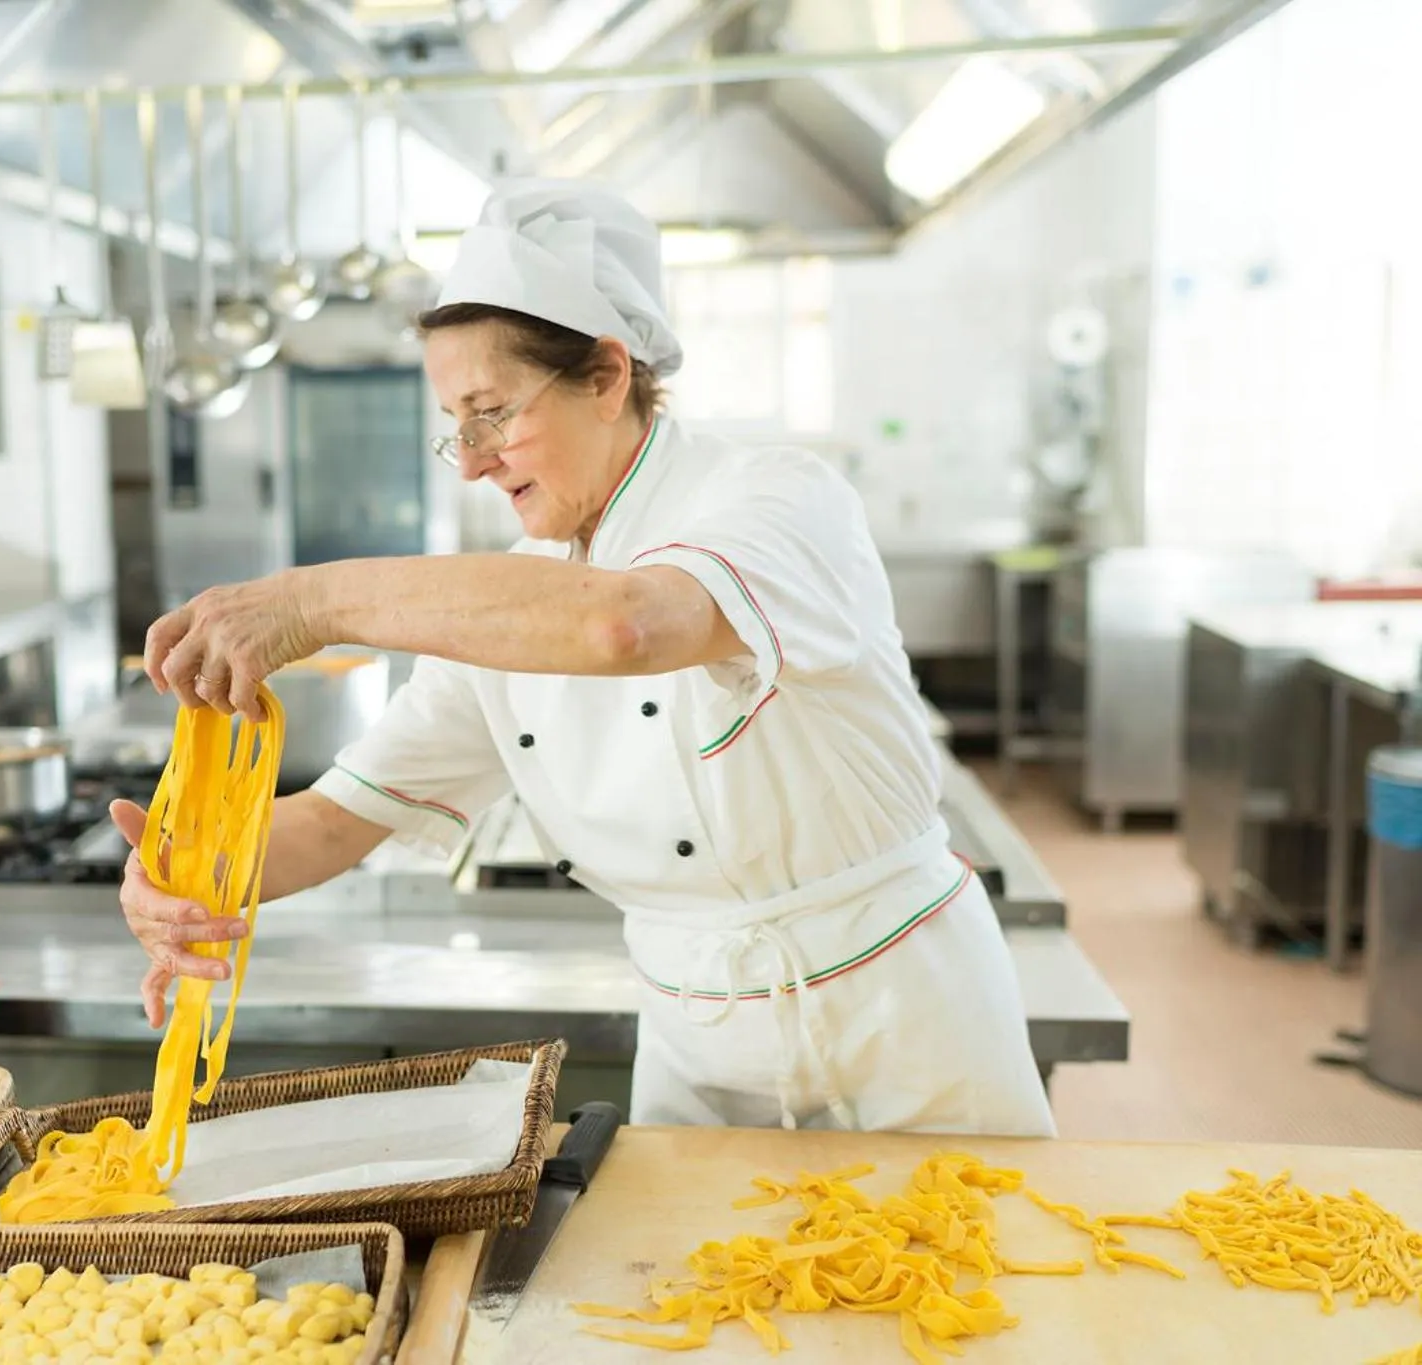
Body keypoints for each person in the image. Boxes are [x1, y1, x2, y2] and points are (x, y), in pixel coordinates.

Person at [110, 180, 1055, 1137]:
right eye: (454, 424)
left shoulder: (776, 496)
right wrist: (189, 873)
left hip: (901, 1022)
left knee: (965, 1270)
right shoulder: (503, 612)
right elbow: (334, 822)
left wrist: (316, 601)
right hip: (699, 1043)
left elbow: (629, 626)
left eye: (491, 412)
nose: (473, 459)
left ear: (607, 376)